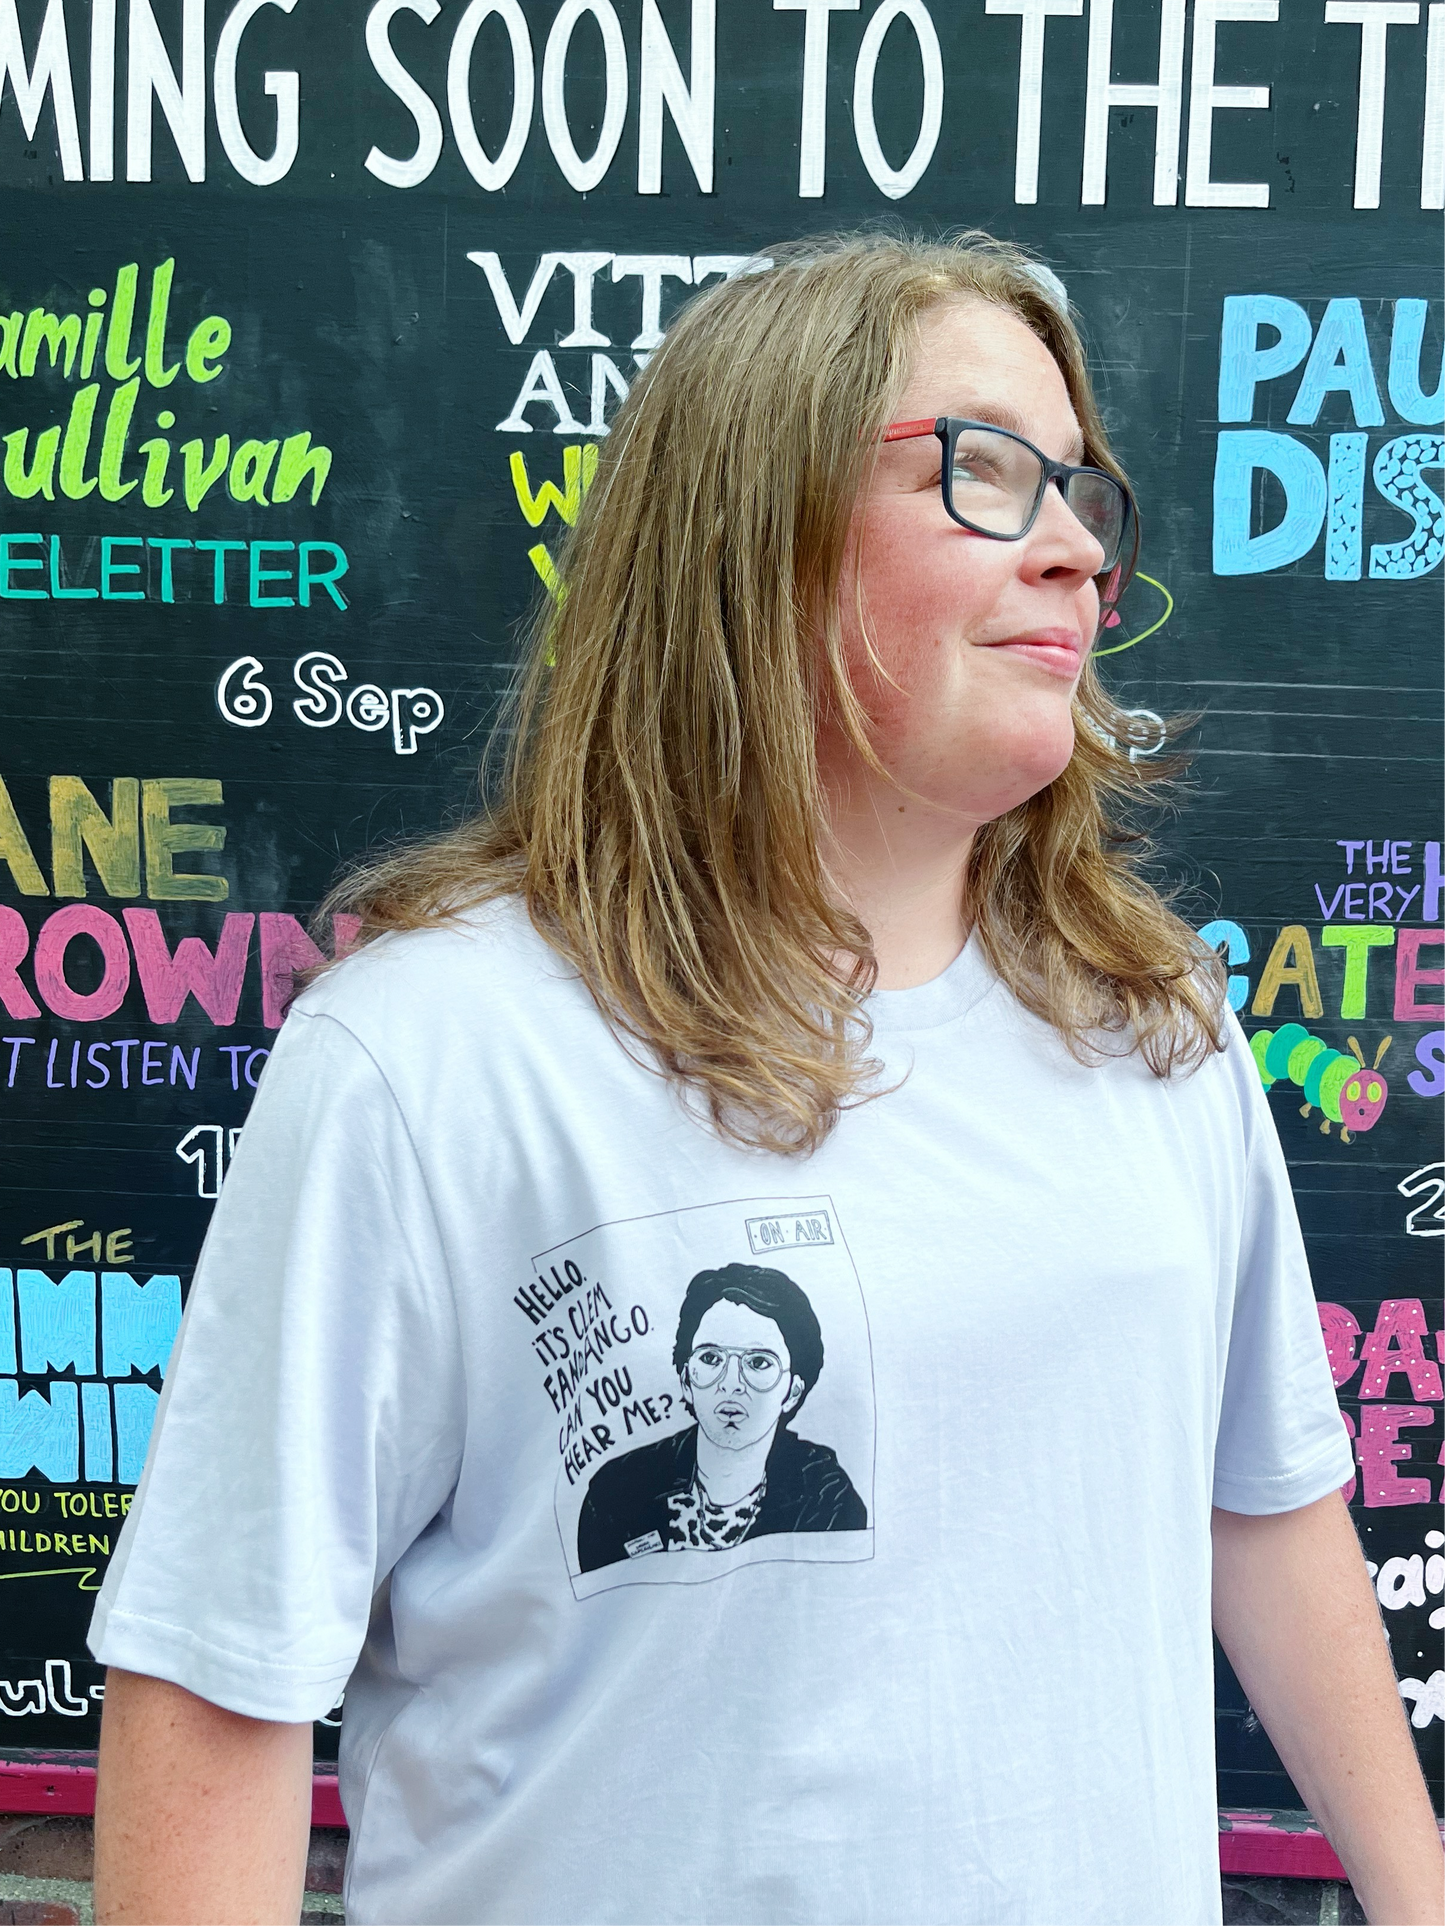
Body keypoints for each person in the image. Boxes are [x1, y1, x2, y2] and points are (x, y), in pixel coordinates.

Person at [90, 233, 1445, 1926]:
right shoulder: (435, 1054)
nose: (1079, 549)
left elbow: (1265, 1506)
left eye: (1082, 489)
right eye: (984, 471)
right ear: (754, 529)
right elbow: (218, 1682)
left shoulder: (1152, 1020)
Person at [576, 1260, 867, 1570]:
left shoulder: (824, 1496)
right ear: (686, 1380)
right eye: (711, 1358)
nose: (731, 1384)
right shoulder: (617, 1492)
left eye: (758, 1362)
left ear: (792, 1392)